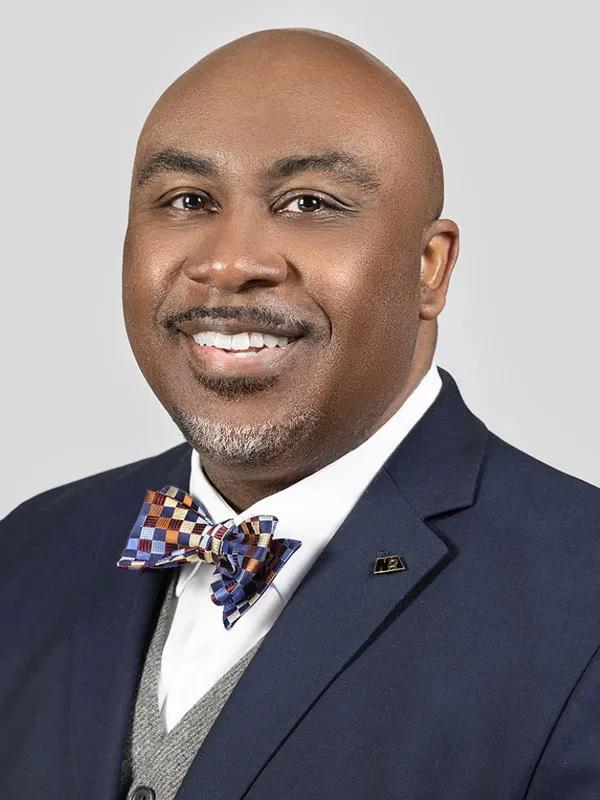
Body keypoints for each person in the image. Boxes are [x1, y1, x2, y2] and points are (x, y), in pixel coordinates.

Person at [1, 27, 598, 800]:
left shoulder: (581, 598)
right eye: (188, 200)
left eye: (310, 204)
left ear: (429, 268)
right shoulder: (30, 551)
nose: (228, 262)